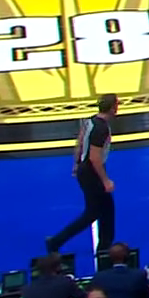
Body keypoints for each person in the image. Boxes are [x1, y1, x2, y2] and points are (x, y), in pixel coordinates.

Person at [48, 93, 117, 254]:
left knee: (106, 209)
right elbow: (95, 158)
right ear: (113, 108)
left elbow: (79, 142)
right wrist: (105, 180)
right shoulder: (101, 129)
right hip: (92, 172)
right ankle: (56, 241)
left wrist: (76, 164)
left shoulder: (90, 121)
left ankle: (104, 246)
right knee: (93, 212)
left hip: (84, 169)